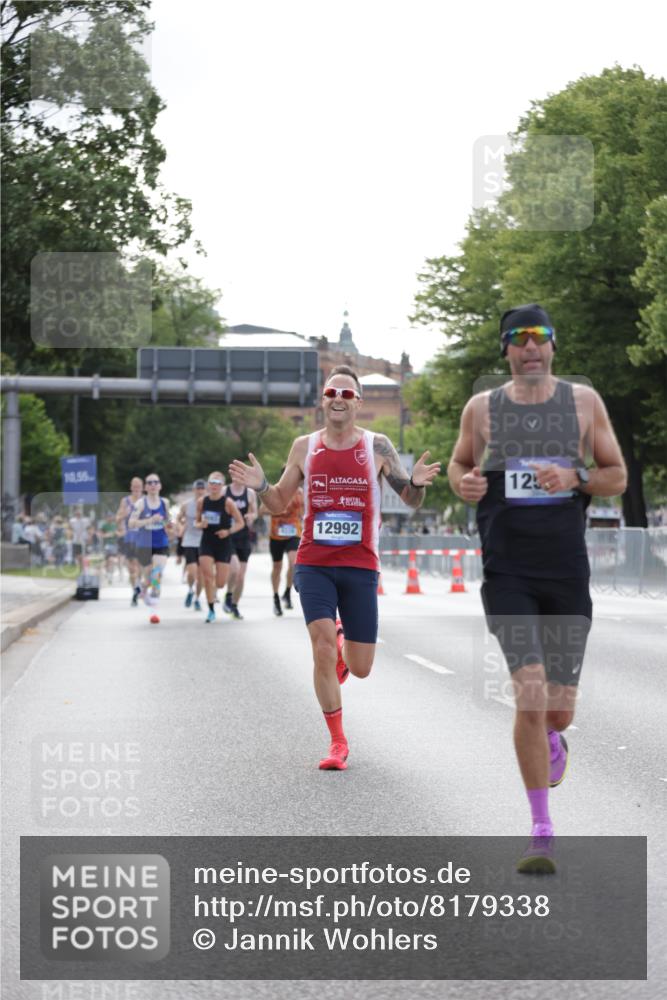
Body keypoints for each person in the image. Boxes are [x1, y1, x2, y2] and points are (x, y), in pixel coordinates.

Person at [447, 303, 627, 873]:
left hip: (566, 574)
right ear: (505, 349)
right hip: (508, 574)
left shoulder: (582, 403)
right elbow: (457, 466)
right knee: (527, 694)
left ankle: (554, 741)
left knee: (558, 712)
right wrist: (465, 483)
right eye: (519, 339)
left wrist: (576, 476)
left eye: (539, 337)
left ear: (553, 344)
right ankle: (541, 831)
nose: (530, 347)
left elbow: (616, 475)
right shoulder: (482, 409)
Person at [230, 364, 440, 770]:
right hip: (314, 562)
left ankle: (346, 646)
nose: (338, 400)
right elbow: (277, 503)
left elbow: (412, 502)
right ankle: (337, 742)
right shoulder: (303, 447)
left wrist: (415, 483)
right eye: (332, 393)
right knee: (321, 648)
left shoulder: (378, 447)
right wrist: (260, 486)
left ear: (358, 403)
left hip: (361, 564)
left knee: (360, 668)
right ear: (322, 400)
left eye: (346, 394)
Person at [195, 472, 245, 623]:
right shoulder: (202, 501)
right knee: (208, 577)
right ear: (208, 484)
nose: (214, 485)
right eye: (212, 482)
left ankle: (220, 595)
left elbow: (240, 523)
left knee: (220, 583)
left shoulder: (228, 503)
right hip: (207, 542)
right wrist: (200, 524)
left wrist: (228, 531)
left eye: (218, 483)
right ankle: (211, 610)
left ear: (222, 486)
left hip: (223, 543)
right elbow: (196, 522)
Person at [128, 473, 173, 624]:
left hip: (161, 543)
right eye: (150, 482)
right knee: (148, 578)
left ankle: (154, 612)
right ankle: (141, 589)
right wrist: (149, 520)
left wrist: (171, 526)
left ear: (160, 486)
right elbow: (131, 523)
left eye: (156, 482)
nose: (153, 485)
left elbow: (168, 520)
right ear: (146, 487)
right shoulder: (141, 504)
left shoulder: (165, 502)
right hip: (144, 545)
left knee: (156, 576)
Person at [265, 482, 304, 616]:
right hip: (276, 535)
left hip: (294, 533)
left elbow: (306, 511)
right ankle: (276, 597)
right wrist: (278, 509)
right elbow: (261, 510)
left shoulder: (300, 493)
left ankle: (287, 592)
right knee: (277, 567)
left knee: (294, 562)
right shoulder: (274, 490)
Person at [222, 473, 258, 620]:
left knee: (241, 577)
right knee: (234, 569)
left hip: (243, 537)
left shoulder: (250, 493)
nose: (239, 477)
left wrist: (251, 516)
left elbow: (255, 511)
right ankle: (229, 594)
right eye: (236, 475)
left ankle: (234, 606)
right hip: (229, 535)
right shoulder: (225, 491)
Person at [178, 479, 206, 612]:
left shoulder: (209, 504)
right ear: (194, 490)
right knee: (192, 572)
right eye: (198, 489)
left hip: (204, 541)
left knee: (201, 575)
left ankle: (197, 598)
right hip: (189, 540)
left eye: (202, 489)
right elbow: (178, 518)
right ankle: (190, 590)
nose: (200, 491)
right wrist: (180, 526)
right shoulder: (186, 505)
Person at [116, 477, 144, 605]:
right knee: (131, 568)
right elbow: (117, 518)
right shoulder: (125, 501)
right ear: (131, 487)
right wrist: (124, 514)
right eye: (135, 486)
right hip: (129, 538)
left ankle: (138, 584)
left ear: (142, 488)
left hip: (143, 537)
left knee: (139, 566)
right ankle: (135, 590)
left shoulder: (146, 501)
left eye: (139, 486)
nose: (137, 489)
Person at [69, 506, 90, 572]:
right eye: (77, 513)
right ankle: (80, 566)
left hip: (83, 540)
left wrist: (88, 537)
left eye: (79, 513)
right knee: (77, 555)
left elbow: (88, 527)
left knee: (83, 555)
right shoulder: (72, 521)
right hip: (76, 540)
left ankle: (84, 568)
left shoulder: (85, 520)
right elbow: (70, 528)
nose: (78, 515)